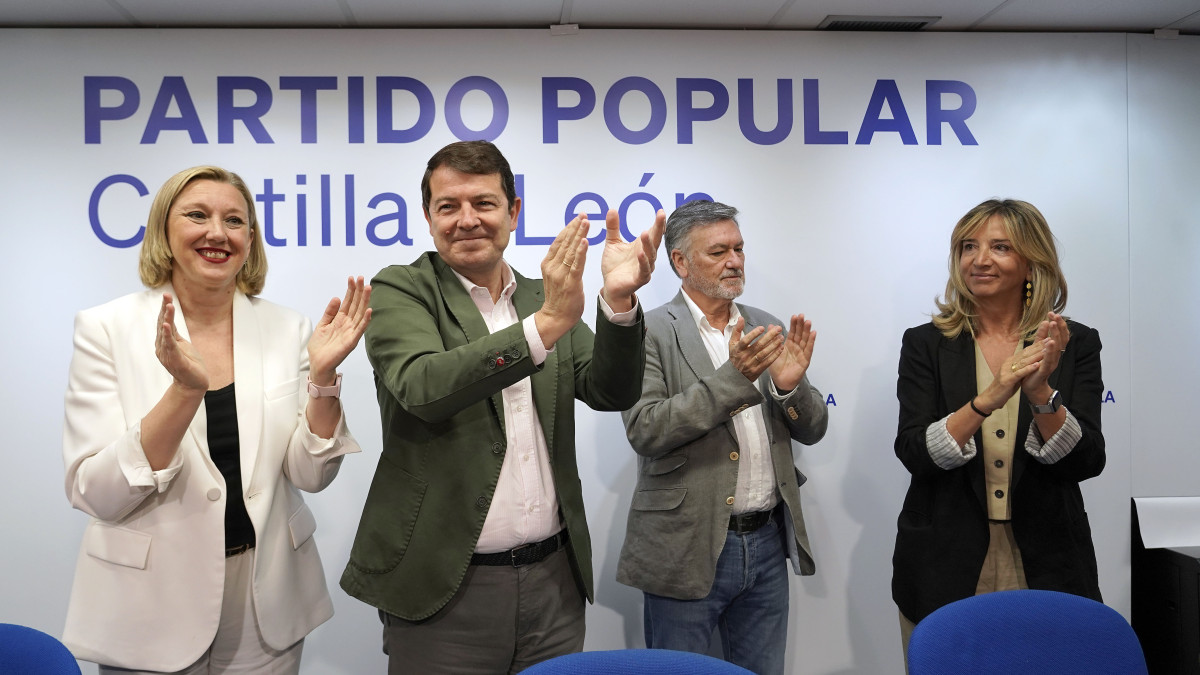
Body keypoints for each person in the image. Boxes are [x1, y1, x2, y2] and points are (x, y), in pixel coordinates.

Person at [340, 140, 665, 674]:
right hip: (444, 588)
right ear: (427, 218)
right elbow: (423, 386)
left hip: (554, 582)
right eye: (448, 207)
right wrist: (547, 326)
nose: (467, 220)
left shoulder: (543, 296)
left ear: (513, 212)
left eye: (484, 204)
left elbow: (611, 391)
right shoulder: (401, 289)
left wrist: (619, 303)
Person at [61, 166, 371, 674]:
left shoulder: (285, 326)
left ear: (250, 239)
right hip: (150, 605)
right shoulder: (105, 329)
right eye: (197, 215)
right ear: (164, 229)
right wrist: (185, 391)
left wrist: (323, 376)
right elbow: (97, 492)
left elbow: (311, 475)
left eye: (234, 220)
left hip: (265, 599)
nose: (217, 233)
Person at [617, 199, 828, 675]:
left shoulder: (763, 323)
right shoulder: (646, 330)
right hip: (686, 544)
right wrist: (734, 378)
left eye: (738, 248)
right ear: (680, 262)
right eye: (718, 252)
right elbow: (646, 428)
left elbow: (813, 429)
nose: (735, 261)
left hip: (768, 541)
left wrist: (792, 386)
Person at [891, 199, 1104, 663]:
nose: (979, 259)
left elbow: (1088, 461)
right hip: (942, 562)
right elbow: (914, 452)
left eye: (1000, 247)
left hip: (1048, 560)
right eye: (969, 246)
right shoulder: (925, 343)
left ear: (1032, 262)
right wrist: (987, 399)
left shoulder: (1074, 342)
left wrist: (1041, 393)